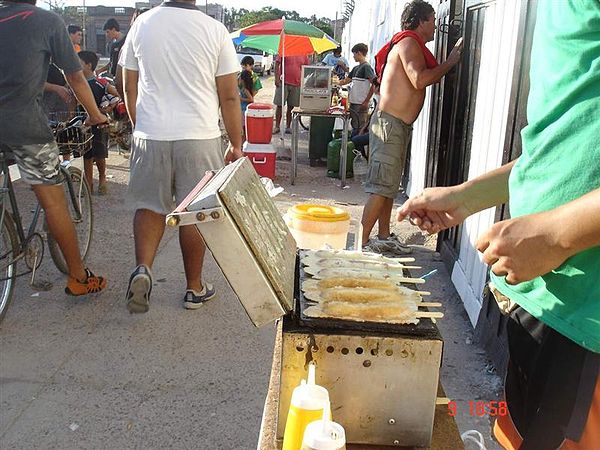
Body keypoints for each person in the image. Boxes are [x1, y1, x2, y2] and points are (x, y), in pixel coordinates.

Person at [398, 2, 600, 449]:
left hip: (589, 317)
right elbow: (560, 146)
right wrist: (465, 197)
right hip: (544, 304)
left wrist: (556, 233)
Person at [119, 0, 243, 313]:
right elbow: (229, 94)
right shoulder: (215, 30)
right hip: (199, 136)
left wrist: (138, 125)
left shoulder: (142, 24)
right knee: (193, 214)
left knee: (149, 206)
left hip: (151, 134)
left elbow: (127, 83)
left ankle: (144, 269)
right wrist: (237, 143)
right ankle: (194, 288)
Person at [0, 0, 108, 295]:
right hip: (25, 127)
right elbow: (76, 76)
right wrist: (95, 114)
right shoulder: (46, 21)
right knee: (54, 202)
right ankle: (78, 277)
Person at [361, 0, 462, 254]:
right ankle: (359, 245)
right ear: (421, 21)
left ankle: (382, 236)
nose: (436, 27)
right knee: (380, 187)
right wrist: (449, 63)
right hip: (390, 126)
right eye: (433, 21)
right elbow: (418, 79)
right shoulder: (408, 44)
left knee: (388, 187)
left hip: (395, 126)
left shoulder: (410, 43)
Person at [78, 50, 119, 195]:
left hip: (100, 122)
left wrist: (110, 106)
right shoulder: (75, 83)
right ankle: (88, 184)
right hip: (84, 122)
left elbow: (117, 94)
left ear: (89, 65)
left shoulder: (101, 83)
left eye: (80, 63)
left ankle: (102, 177)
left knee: (100, 153)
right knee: (86, 154)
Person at [339, 43, 376, 132]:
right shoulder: (356, 68)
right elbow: (345, 81)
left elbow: (374, 84)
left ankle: (359, 144)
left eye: (354, 54)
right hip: (353, 102)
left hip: (361, 103)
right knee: (354, 125)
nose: (353, 57)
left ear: (359, 53)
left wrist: (366, 101)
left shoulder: (366, 67)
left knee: (360, 127)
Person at [273, 54, 310, 134]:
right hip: (283, 83)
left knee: (291, 107)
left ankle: (288, 127)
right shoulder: (285, 48)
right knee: (279, 105)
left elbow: (306, 68)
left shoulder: (303, 54)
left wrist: (303, 80)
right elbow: (277, 64)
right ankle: (277, 126)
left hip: (296, 84)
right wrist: (276, 78)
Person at [239, 56, 259, 139]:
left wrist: (242, 98)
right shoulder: (243, 74)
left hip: (244, 107)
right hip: (243, 106)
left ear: (248, 65)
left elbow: (253, 94)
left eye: (244, 66)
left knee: (243, 129)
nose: (243, 68)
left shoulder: (254, 77)